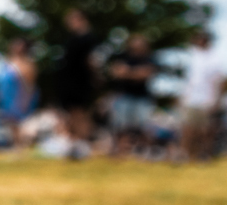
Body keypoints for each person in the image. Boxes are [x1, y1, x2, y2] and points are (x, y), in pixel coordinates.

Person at [53, 9, 100, 151]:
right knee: (72, 113)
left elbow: (92, 60)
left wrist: (96, 77)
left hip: (80, 82)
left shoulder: (89, 39)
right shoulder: (73, 39)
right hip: (70, 82)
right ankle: (77, 143)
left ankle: (83, 144)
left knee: (80, 113)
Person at [104, 32, 158, 156]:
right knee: (120, 126)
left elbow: (146, 74)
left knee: (143, 127)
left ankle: (145, 153)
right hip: (123, 96)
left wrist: (127, 72)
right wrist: (136, 73)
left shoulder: (149, 58)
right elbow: (115, 72)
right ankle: (120, 152)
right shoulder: (121, 56)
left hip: (142, 98)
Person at [178, 28, 223, 163]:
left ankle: (204, 154)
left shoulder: (215, 58)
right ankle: (186, 154)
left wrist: (216, 99)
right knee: (188, 128)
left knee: (205, 130)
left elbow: (220, 80)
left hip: (207, 99)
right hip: (190, 99)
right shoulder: (190, 56)